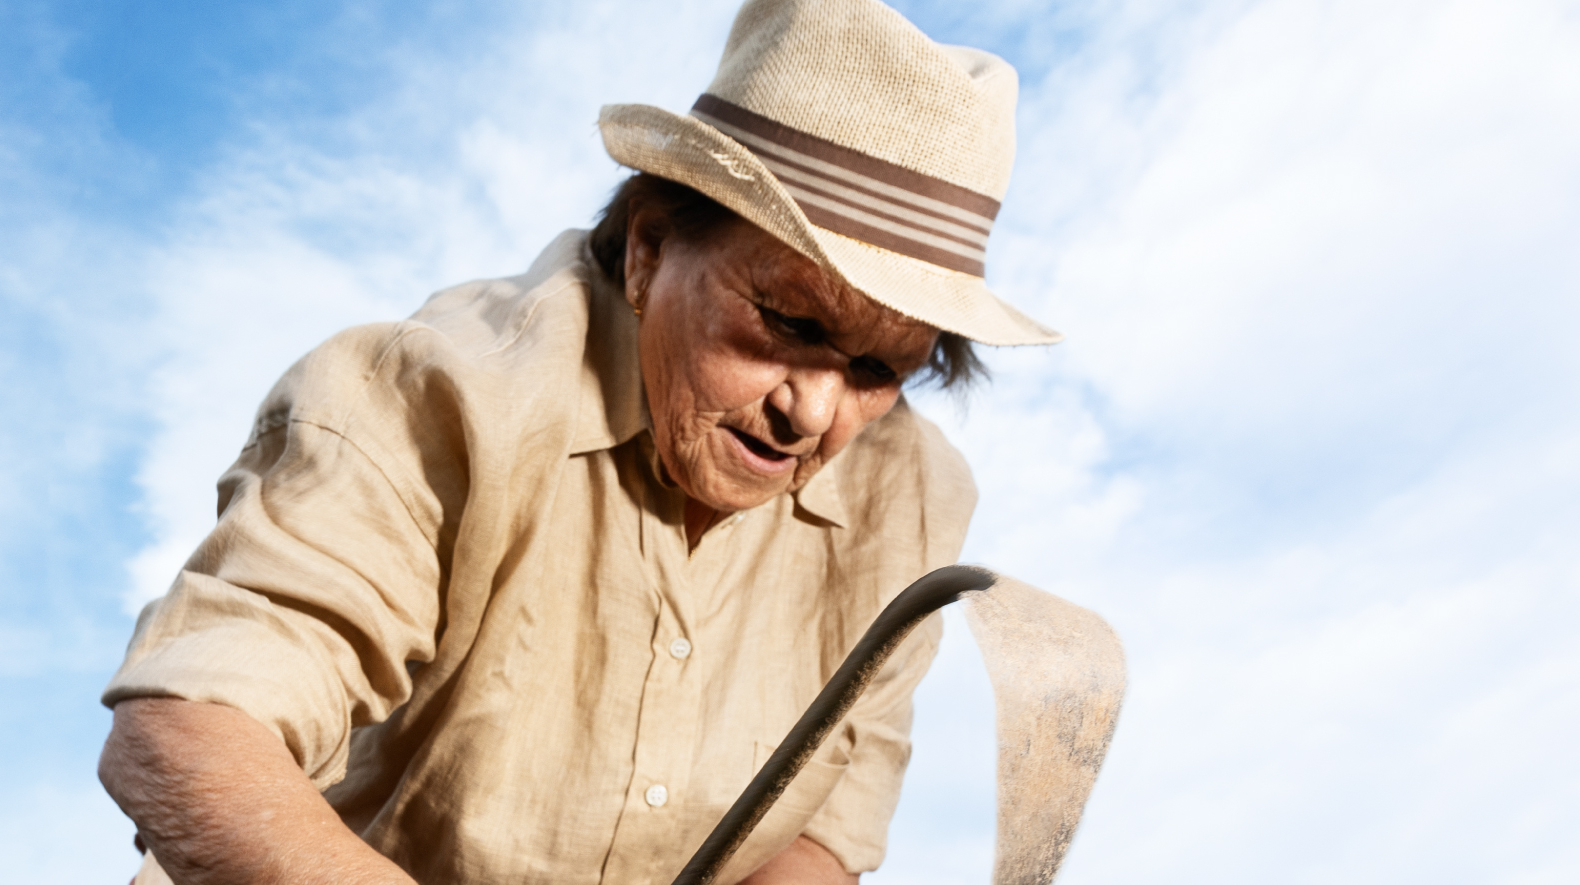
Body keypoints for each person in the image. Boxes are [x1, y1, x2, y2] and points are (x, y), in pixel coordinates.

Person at [97, 0, 1068, 882]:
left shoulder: (914, 499)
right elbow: (188, 724)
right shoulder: (439, 392)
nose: (813, 415)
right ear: (648, 247)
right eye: (787, 323)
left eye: (876, 370)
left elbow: (825, 830)